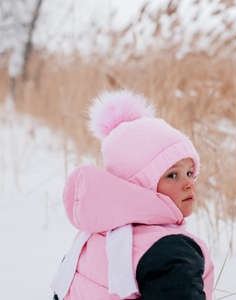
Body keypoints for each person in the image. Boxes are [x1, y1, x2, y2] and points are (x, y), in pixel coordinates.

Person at [51, 90, 214, 299]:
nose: (188, 184)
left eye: (190, 173)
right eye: (172, 175)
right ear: (138, 185)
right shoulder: (171, 250)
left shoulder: (94, 235)